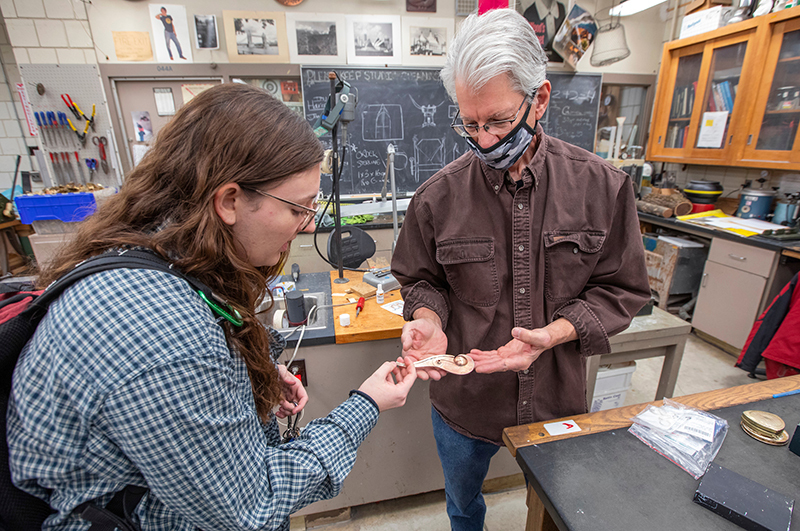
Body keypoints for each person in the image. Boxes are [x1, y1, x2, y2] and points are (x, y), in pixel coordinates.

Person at [8, 83, 421, 531]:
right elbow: (251, 504)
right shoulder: (159, 329)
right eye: (298, 209)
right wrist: (365, 405)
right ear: (228, 201)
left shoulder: (158, 258)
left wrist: (245, 372)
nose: (306, 227)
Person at [391, 8, 650, 530]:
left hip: (557, 399)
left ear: (542, 99)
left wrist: (553, 333)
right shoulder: (437, 197)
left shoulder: (603, 187)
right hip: (467, 403)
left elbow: (622, 288)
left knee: (559, 512)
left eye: (500, 121)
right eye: (470, 123)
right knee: (464, 509)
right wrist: (429, 319)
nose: (484, 140)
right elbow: (422, 280)